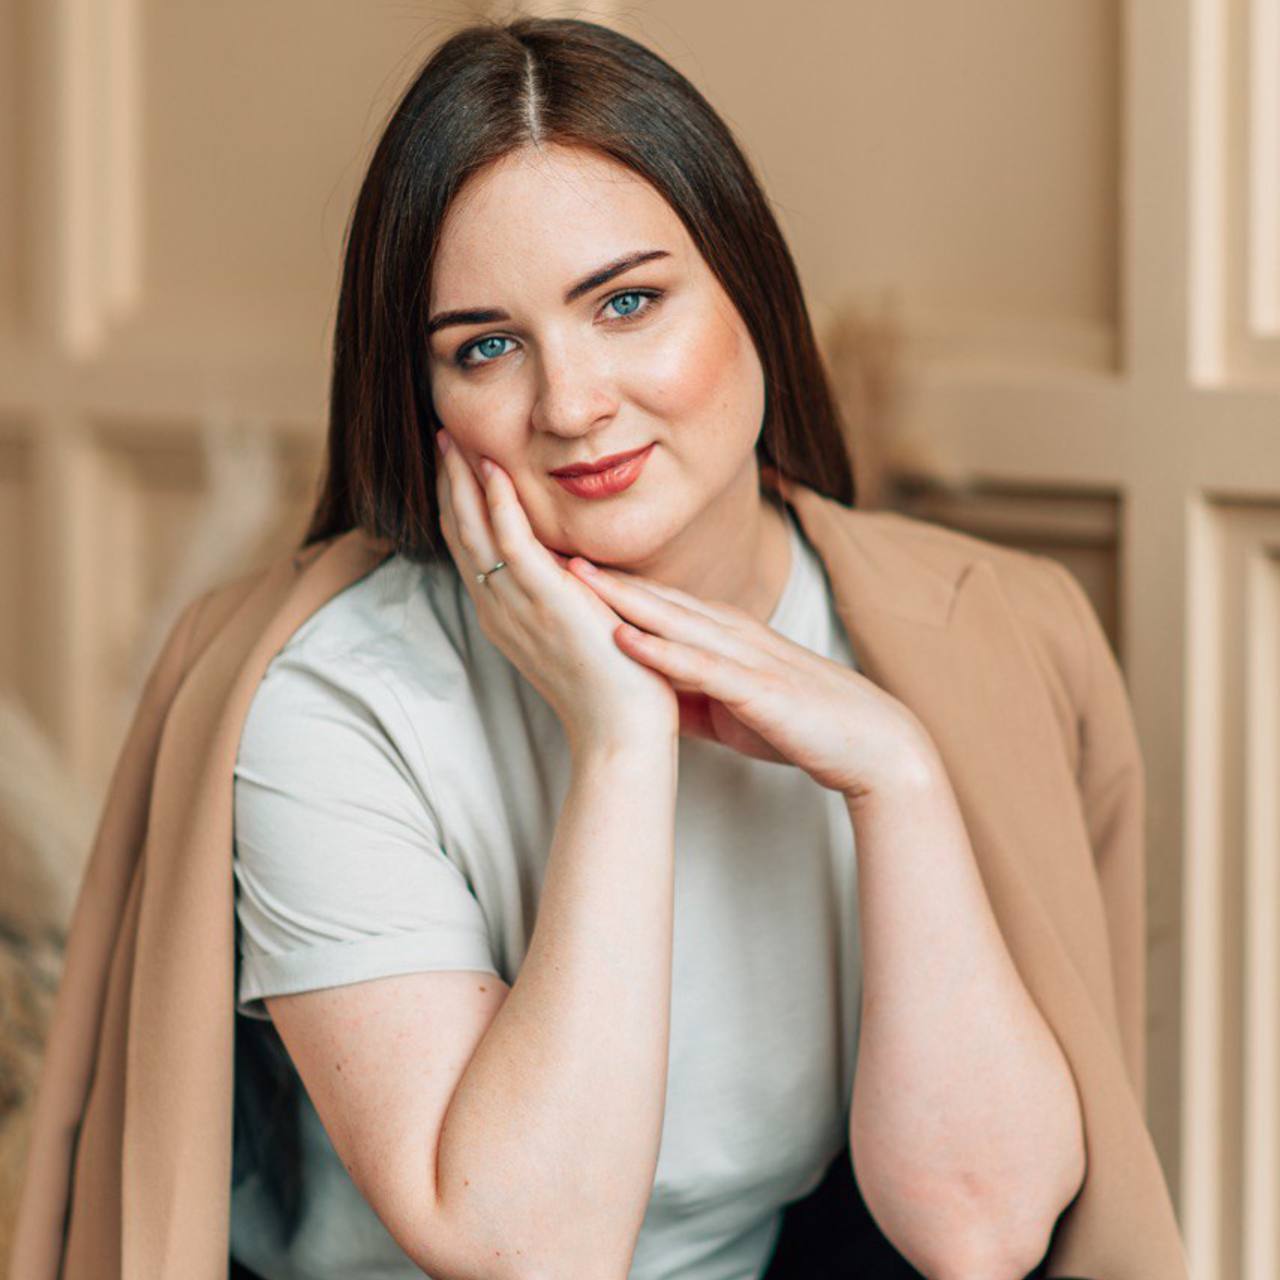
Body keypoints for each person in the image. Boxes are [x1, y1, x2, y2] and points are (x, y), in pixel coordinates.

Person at [227, 15, 1086, 1280]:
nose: (571, 404)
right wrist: (621, 744)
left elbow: (978, 1232)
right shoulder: (335, 703)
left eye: (626, 302)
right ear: (422, 401)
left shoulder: (950, 636)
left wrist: (895, 775)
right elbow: (529, 1253)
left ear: (749, 289)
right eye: (485, 346)